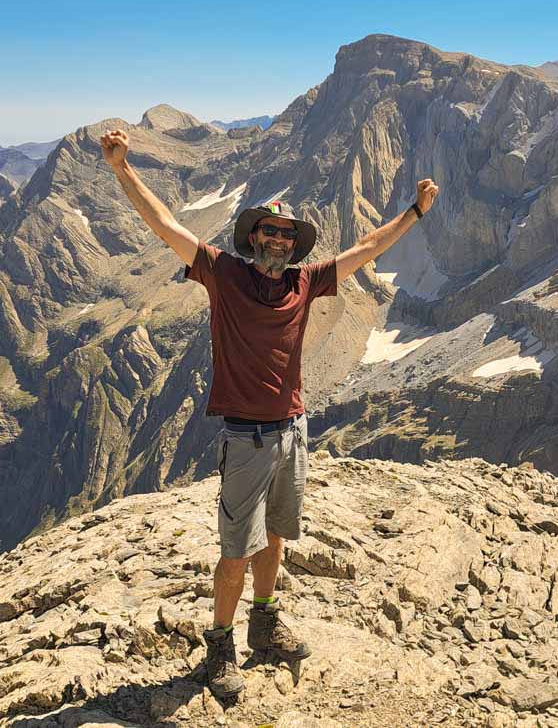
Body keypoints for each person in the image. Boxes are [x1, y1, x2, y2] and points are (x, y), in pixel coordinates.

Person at [99, 128, 439, 697]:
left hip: (292, 431)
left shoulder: (306, 282)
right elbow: (166, 227)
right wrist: (122, 169)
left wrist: (415, 212)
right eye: (269, 231)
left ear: (294, 243)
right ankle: (220, 648)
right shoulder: (223, 272)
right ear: (251, 235)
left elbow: (368, 249)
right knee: (236, 549)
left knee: (275, 537)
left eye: (287, 234)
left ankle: (264, 624)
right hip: (246, 438)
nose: (278, 240)